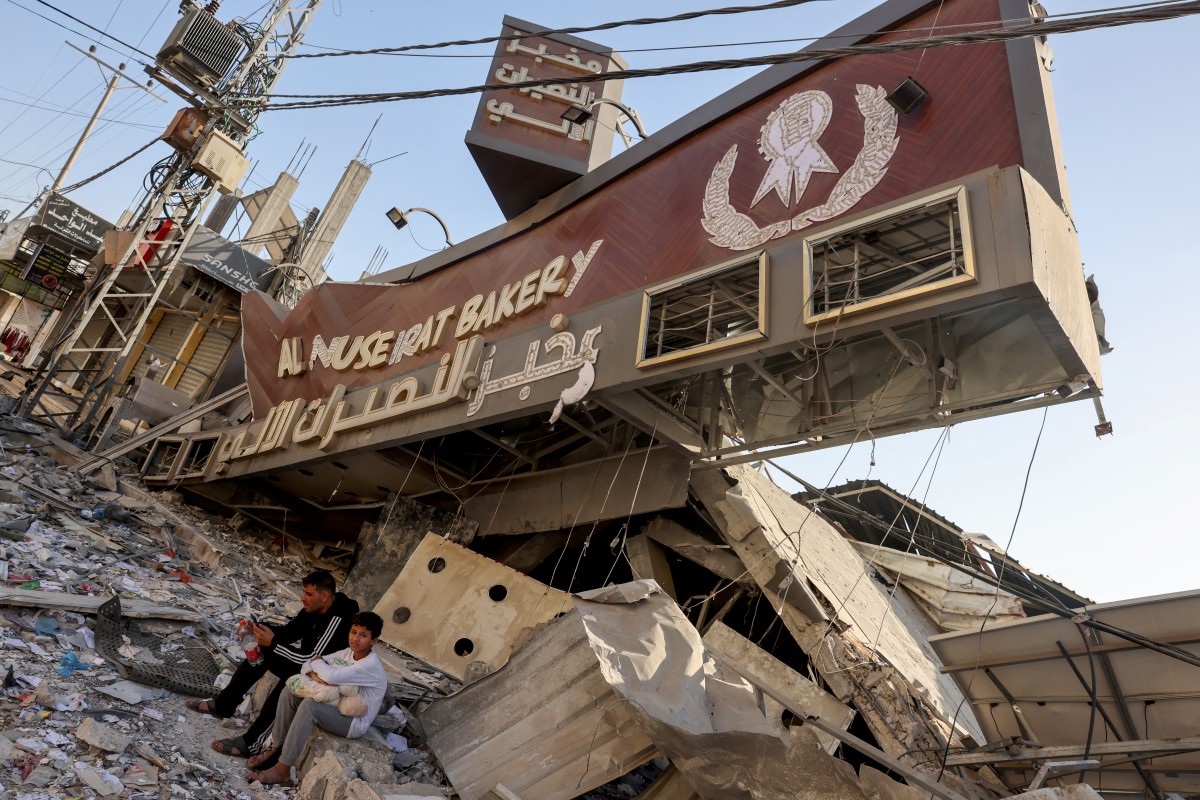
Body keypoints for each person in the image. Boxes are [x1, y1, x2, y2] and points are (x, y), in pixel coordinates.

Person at [186, 569, 360, 758]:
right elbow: (288, 632)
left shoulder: (338, 620)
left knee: (290, 680)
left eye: (308, 594)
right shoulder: (313, 610)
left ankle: (252, 743)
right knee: (261, 650)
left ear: (324, 596)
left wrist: (274, 643)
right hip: (307, 664)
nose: (302, 598)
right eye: (303, 592)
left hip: (324, 676)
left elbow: (312, 661)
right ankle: (224, 704)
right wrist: (259, 628)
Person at [244, 611, 388, 786]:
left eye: (363, 635)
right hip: (337, 704)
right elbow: (307, 665)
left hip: (353, 722)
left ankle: (282, 770)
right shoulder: (348, 653)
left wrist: (318, 664)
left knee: (310, 706)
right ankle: (274, 750)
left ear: (374, 641)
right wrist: (314, 671)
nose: (355, 639)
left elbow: (330, 676)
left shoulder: (370, 665)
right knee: (291, 691)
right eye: (353, 632)